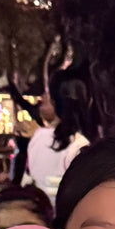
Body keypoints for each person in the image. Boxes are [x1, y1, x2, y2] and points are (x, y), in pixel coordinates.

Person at [24, 70, 95, 201]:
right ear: (88, 101)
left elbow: (28, 179)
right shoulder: (80, 145)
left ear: (54, 102)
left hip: (39, 209)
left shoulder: (37, 137)